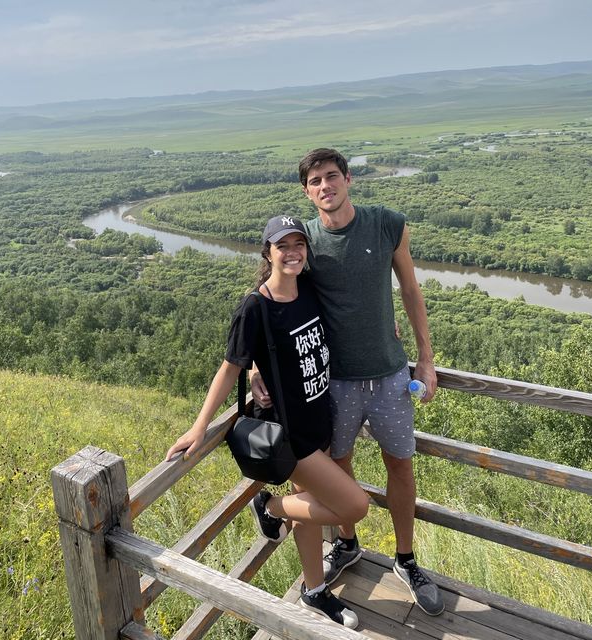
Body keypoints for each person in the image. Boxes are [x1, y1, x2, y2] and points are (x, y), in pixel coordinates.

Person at [250, 149, 444, 616]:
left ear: (348, 179)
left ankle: (406, 559)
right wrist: (257, 365)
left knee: (400, 466)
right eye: (315, 181)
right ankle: (348, 544)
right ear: (306, 190)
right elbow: (273, 295)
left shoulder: (386, 224)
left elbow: (411, 291)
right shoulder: (305, 241)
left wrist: (426, 358)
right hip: (333, 384)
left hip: (390, 375)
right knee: (338, 469)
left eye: (331, 177)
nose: (324, 187)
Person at [165, 215, 369, 629]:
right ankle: (269, 506)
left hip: (319, 418)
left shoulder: (309, 288)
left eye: (299, 244)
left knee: (308, 512)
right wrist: (199, 426)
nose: (293, 252)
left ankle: (314, 590)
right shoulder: (254, 307)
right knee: (354, 505)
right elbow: (228, 368)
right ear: (267, 253)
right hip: (290, 434)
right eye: (283, 246)